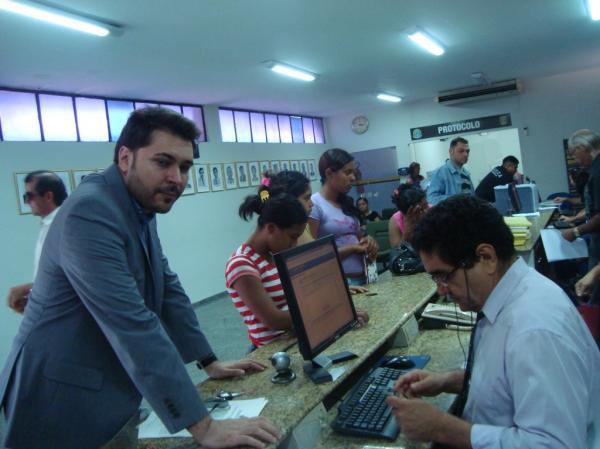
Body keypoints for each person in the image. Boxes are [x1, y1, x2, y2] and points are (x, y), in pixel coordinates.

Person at [0, 107, 279, 449]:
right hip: (60, 390)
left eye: (185, 167)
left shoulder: (137, 204)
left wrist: (209, 361)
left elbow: (166, 286)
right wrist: (206, 427)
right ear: (125, 157)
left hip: (107, 378)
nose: (177, 177)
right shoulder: (91, 211)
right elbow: (132, 323)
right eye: (163, 162)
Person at [387, 195, 600, 449]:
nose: (442, 290)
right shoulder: (508, 296)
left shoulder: (535, 330)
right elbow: (509, 381)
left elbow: (555, 445)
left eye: (444, 276)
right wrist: (448, 381)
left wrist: (444, 428)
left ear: (486, 257)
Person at [225, 189, 369, 349]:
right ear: (271, 228)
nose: (294, 245)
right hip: (273, 350)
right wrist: (334, 313)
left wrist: (339, 295)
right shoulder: (242, 264)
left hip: (300, 337)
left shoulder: (277, 256)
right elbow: (274, 320)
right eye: (292, 237)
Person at [309, 149, 378, 285]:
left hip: (364, 276)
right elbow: (312, 254)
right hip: (338, 282)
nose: (353, 177)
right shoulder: (315, 205)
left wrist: (368, 243)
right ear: (329, 173)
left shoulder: (347, 203)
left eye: (353, 172)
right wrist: (352, 248)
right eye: (347, 172)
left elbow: (359, 239)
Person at [6, 171, 67, 314]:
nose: (26, 201)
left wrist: (30, 288)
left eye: (29, 196)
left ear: (48, 196)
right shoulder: (48, 225)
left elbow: (72, 277)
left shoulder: (64, 226)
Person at [562, 129, 600, 267]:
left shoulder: (597, 173)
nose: (577, 161)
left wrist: (576, 231)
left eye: (575, 156)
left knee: (592, 285)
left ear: (582, 148)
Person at [426, 137, 474, 205]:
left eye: (467, 151)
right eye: (461, 151)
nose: (465, 154)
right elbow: (431, 199)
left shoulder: (466, 174)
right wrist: (457, 200)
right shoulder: (440, 173)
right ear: (451, 151)